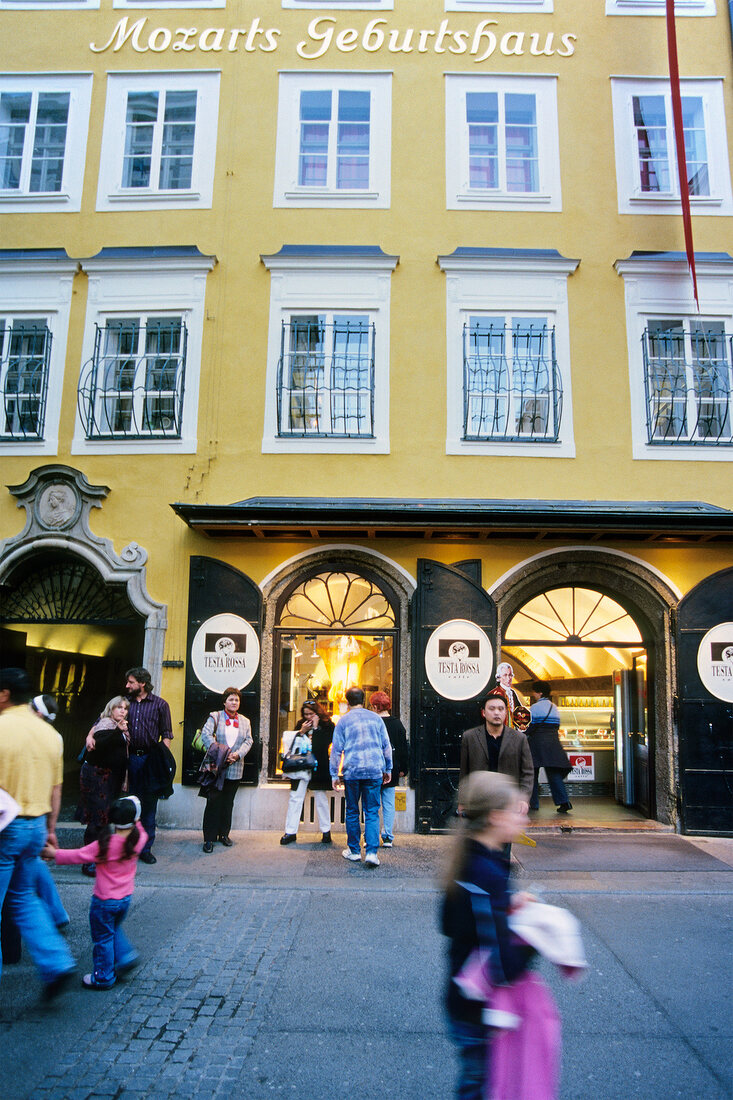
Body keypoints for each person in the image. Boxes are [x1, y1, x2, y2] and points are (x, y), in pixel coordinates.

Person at [441, 771, 535, 1100]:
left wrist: (507, 904)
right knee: (479, 1085)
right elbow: (502, 963)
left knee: (478, 1079)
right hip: (477, 1007)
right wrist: (534, 941)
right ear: (495, 818)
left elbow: (453, 923)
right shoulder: (487, 873)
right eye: (516, 810)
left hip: (463, 1000)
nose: (523, 816)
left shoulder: (469, 859)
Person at [0, 668, 76, 1000]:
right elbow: (57, 789)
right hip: (34, 826)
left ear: (4, 694)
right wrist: (51, 830)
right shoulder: (51, 735)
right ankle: (57, 961)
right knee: (23, 898)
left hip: (5, 828)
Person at [46, 795, 146, 989]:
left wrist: (53, 854)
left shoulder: (105, 845)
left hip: (103, 901)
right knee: (113, 928)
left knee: (103, 938)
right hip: (125, 898)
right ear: (135, 820)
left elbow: (77, 855)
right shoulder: (139, 839)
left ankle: (103, 976)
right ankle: (125, 956)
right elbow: (139, 823)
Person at [87, 667, 172, 864]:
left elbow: (167, 734)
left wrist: (163, 760)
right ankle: (125, 846)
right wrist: (89, 735)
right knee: (129, 803)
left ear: (142, 683)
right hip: (129, 759)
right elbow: (101, 718)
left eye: (131, 682)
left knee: (149, 805)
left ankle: (145, 848)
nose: (127, 685)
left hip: (151, 758)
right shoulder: (124, 704)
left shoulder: (160, 704)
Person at [330, 687, 392, 868]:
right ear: (364, 700)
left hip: (353, 771)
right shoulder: (376, 719)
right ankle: (372, 852)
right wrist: (388, 768)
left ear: (347, 702)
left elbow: (336, 749)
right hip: (374, 771)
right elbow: (386, 746)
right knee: (372, 811)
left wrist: (334, 774)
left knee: (352, 810)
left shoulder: (343, 721)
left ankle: (354, 851)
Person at [459, 690, 534, 816]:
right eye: (492, 709)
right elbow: (464, 771)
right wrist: (462, 801)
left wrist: (523, 798)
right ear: (483, 712)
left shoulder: (519, 739)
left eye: (500, 709)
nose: (496, 713)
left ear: (506, 712)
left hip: (509, 802)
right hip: (479, 802)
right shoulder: (470, 737)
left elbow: (528, 772)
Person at [78, 696, 130, 876]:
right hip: (98, 777)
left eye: (125, 708)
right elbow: (100, 744)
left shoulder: (121, 727)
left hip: (111, 778)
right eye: (119, 708)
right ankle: (89, 862)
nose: (122, 711)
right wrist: (117, 731)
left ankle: (101, 857)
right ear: (111, 709)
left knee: (104, 819)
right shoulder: (105, 724)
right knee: (97, 820)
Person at [199, 687, 253, 853]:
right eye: (231, 699)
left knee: (228, 803)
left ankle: (224, 834)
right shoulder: (214, 717)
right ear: (224, 702)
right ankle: (209, 839)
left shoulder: (245, 721)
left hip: (235, 768)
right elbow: (206, 736)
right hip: (217, 768)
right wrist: (222, 753)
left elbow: (248, 741)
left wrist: (236, 755)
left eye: (236, 700)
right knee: (213, 802)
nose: (234, 702)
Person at [280, 700, 334, 846]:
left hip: (319, 767)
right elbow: (291, 744)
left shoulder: (328, 725)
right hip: (300, 766)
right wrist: (301, 732)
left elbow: (323, 745)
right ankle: (290, 832)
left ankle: (326, 831)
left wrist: (316, 728)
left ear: (317, 712)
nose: (308, 717)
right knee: (295, 798)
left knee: (321, 799)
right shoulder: (300, 724)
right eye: (306, 714)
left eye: (311, 714)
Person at [369, 691, 408, 849]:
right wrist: (403, 768)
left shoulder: (372, 723)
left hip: (373, 768)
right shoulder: (397, 724)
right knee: (389, 803)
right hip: (392, 768)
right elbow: (403, 748)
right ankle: (387, 836)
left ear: (375, 706)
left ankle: (371, 835)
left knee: (372, 804)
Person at [527, 681, 572, 814]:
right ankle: (564, 802)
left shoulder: (534, 708)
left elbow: (529, 727)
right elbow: (556, 727)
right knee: (554, 774)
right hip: (552, 744)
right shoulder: (554, 708)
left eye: (534, 691)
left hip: (536, 744)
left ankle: (533, 803)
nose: (533, 694)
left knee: (532, 774)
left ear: (540, 692)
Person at [494, 662, 523, 727]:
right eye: (505, 675)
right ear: (499, 677)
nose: (508, 678)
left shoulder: (513, 693)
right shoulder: (495, 693)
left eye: (510, 675)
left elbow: (519, 709)